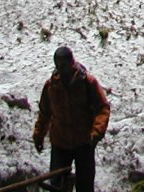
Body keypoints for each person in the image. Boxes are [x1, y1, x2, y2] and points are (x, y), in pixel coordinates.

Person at [32, 47, 111, 192]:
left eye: (63, 66)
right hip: (60, 144)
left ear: (71, 62)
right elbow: (44, 113)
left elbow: (103, 108)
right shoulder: (51, 85)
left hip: (84, 143)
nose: (60, 70)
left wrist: (97, 132)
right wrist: (38, 135)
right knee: (56, 186)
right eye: (57, 66)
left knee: (85, 186)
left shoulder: (88, 82)